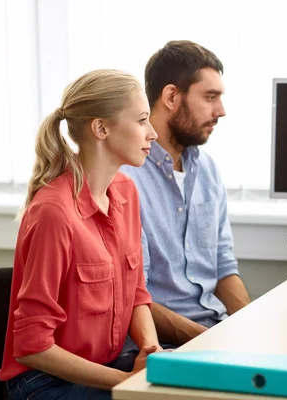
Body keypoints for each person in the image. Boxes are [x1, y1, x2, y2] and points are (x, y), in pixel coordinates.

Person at [0, 69, 162, 399]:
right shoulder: (53, 213)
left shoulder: (127, 192)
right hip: (44, 382)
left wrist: (151, 350)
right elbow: (32, 348)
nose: (153, 133)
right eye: (142, 120)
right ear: (101, 128)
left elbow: (136, 294)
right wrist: (126, 382)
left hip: (108, 366)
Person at [120, 41, 251, 347]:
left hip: (213, 332)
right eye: (210, 97)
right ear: (171, 96)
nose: (221, 111)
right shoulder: (124, 178)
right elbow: (131, 298)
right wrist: (210, 342)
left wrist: (251, 328)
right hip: (161, 347)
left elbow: (222, 267)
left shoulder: (207, 170)